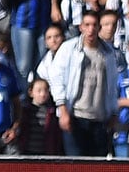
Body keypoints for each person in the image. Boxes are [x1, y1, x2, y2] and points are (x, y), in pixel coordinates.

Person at [48, 10, 121, 157]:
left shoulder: (108, 53)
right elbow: (56, 79)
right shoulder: (69, 49)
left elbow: (113, 86)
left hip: (100, 118)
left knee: (96, 168)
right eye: (87, 25)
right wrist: (62, 111)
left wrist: (114, 112)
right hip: (76, 115)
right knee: (76, 165)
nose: (91, 29)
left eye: (94, 25)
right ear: (81, 27)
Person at [18, 76, 63, 155]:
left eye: (46, 91)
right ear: (31, 92)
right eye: (39, 91)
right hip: (27, 152)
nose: (43, 94)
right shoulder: (25, 111)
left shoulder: (52, 112)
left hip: (46, 153)